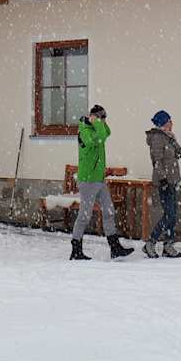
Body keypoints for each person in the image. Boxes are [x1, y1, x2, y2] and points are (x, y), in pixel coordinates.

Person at [70, 104, 134, 260]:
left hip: (99, 179)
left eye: (105, 118)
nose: (104, 121)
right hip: (88, 180)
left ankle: (115, 247)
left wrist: (99, 122)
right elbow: (96, 140)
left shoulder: (97, 128)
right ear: (94, 117)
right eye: (102, 117)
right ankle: (76, 249)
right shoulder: (84, 131)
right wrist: (96, 122)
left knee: (109, 211)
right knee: (84, 216)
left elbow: (107, 133)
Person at [143, 110, 181, 259]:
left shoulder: (167, 137)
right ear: (164, 123)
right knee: (169, 214)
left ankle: (168, 245)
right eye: (170, 121)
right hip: (164, 181)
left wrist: (173, 140)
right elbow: (156, 161)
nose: (172, 123)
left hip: (173, 180)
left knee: (173, 215)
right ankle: (150, 243)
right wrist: (163, 179)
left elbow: (179, 153)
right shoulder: (157, 138)